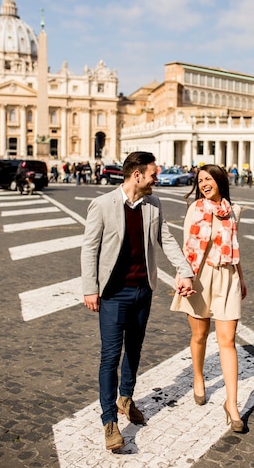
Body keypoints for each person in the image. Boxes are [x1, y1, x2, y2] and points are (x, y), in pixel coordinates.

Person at [81, 151, 195, 451]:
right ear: (137, 175)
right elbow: (89, 249)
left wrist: (184, 271)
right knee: (109, 356)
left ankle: (126, 398)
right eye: (153, 174)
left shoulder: (153, 204)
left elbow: (166, 239)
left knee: (134, 350)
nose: (156, 179)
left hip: (143, 290)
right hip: (113, 293)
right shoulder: (103, 204)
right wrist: (89, 288)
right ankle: (109, 422)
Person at [170, 164, 247, 432]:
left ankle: (232, 404)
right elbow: (187, 246)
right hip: (200, 277)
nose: (204, 183)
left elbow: (235, 248)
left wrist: (242, 278)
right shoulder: (195, 209)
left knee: (228, 341)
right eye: (200, 180)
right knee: (200, 335)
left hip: (227, 278)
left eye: (208, 179)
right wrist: (183, 277)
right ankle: (199, 377)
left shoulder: (232, 211)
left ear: (219, 182)